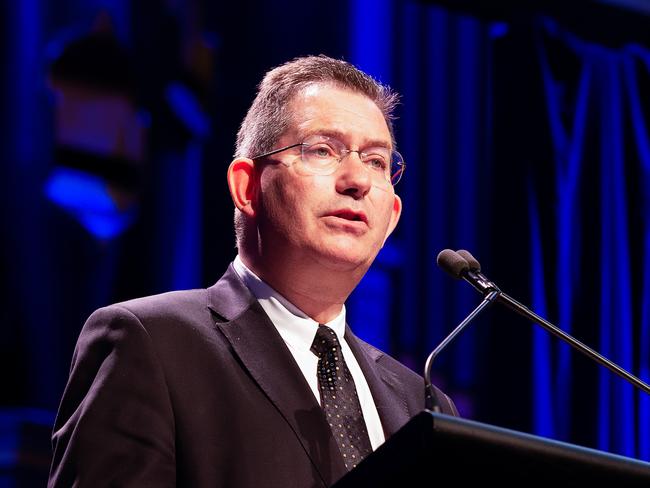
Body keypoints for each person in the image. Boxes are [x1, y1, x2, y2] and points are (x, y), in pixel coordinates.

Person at [48, 54, 457, 488]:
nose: (356, 179)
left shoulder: (422, 404)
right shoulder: (149, 344)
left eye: (377, 161)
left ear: (392, 215)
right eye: (322, 150)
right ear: (246, 186)